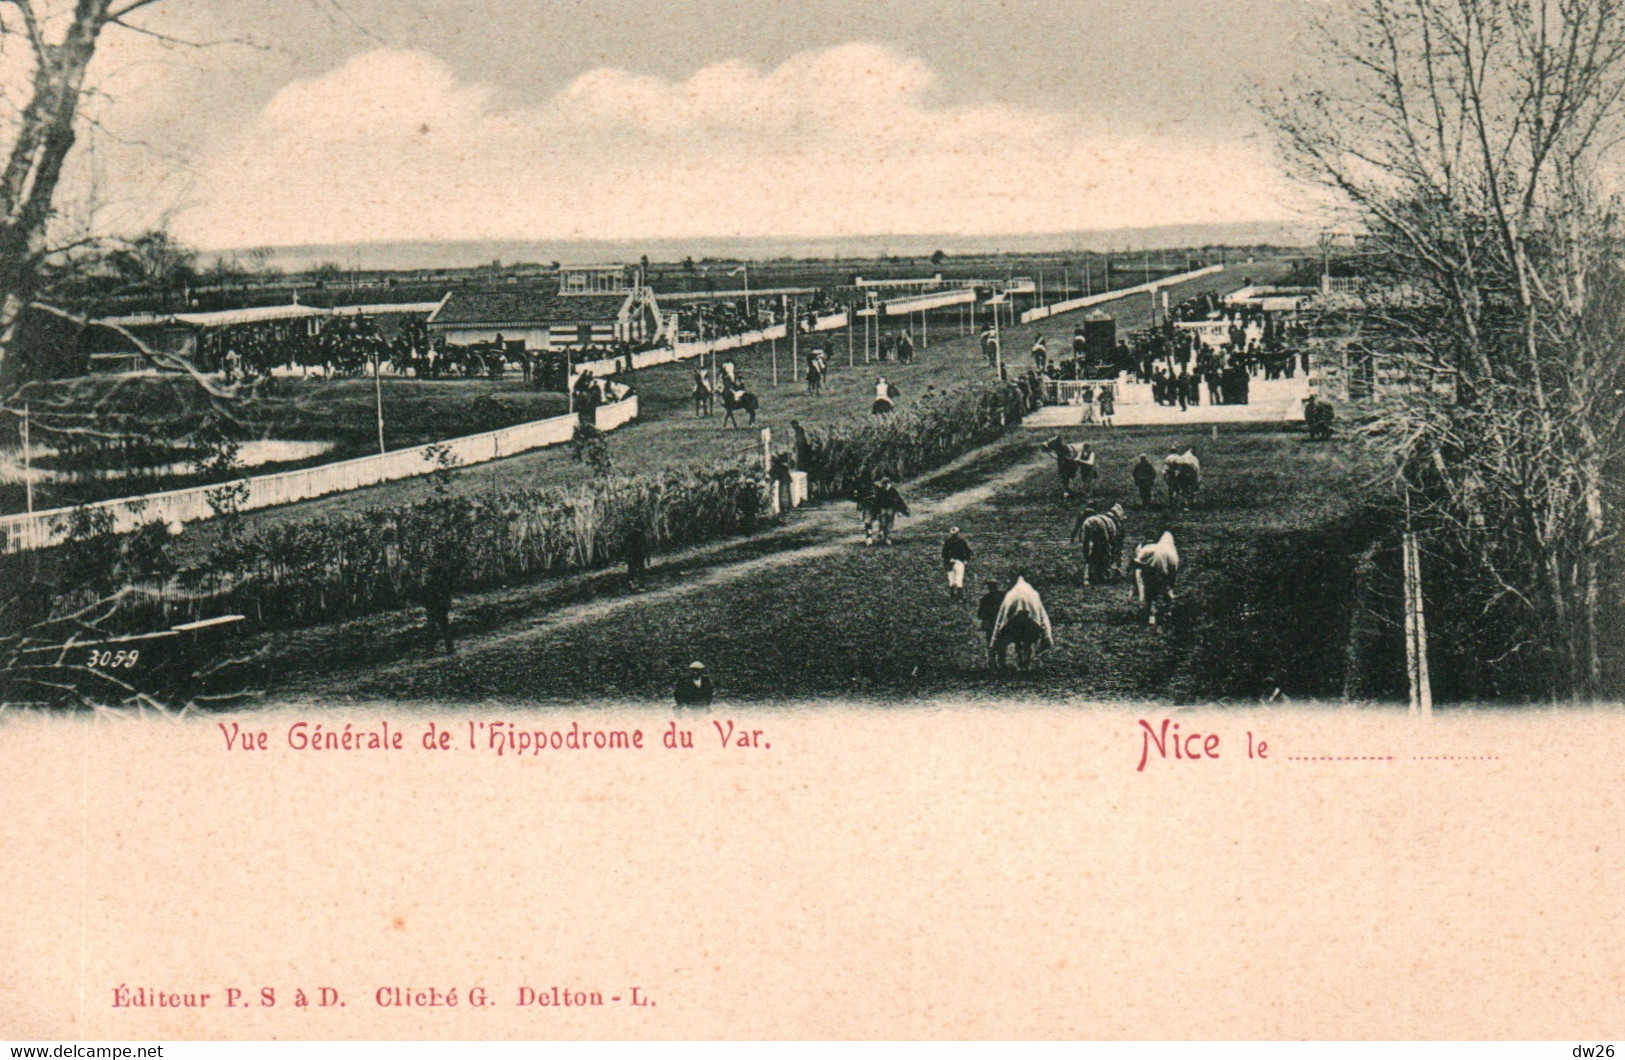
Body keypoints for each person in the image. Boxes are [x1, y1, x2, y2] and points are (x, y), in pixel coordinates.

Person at [868, 476, 910, 545]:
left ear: (888, 483)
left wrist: (901, 510)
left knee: (889, 523)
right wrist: (875, 510)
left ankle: (887, 537)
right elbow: (877, 500)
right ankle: (882, 533)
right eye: (883, 484)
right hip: (883, 508)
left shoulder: (892, 490)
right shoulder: (880, 490)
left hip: (891, 509)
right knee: (883, 522)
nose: (884, 485)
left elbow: (898, 500)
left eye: (885, 484)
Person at [941, 526, 972, 599]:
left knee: (959, 578)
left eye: (956, 534)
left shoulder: (962, 542)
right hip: (950, 563)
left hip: (960, 562)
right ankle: (952, 595)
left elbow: (968, 551)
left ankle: (960, 596)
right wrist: (949, 558)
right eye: (952, 534)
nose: (954, 535)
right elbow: (944, 553)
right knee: (951, 579)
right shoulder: (948, 542)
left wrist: (966, 560)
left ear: (958, 533)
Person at [976, 579, 1005, 644]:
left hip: (991, 624)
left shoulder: (985, 598)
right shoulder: (1003, 595)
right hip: (1002, 622)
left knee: (990, 641)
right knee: (1002, 642)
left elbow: (980, 613)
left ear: (989, 587)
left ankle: (992, 652)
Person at [624, 525, 648, 590]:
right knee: (640, 570)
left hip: (633, 555)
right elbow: (645, 546)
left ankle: (633, 583)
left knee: (633, 570)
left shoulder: (628, 536)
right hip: (638, 555)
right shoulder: (641, 535)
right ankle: (640, 585)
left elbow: (625, 547)